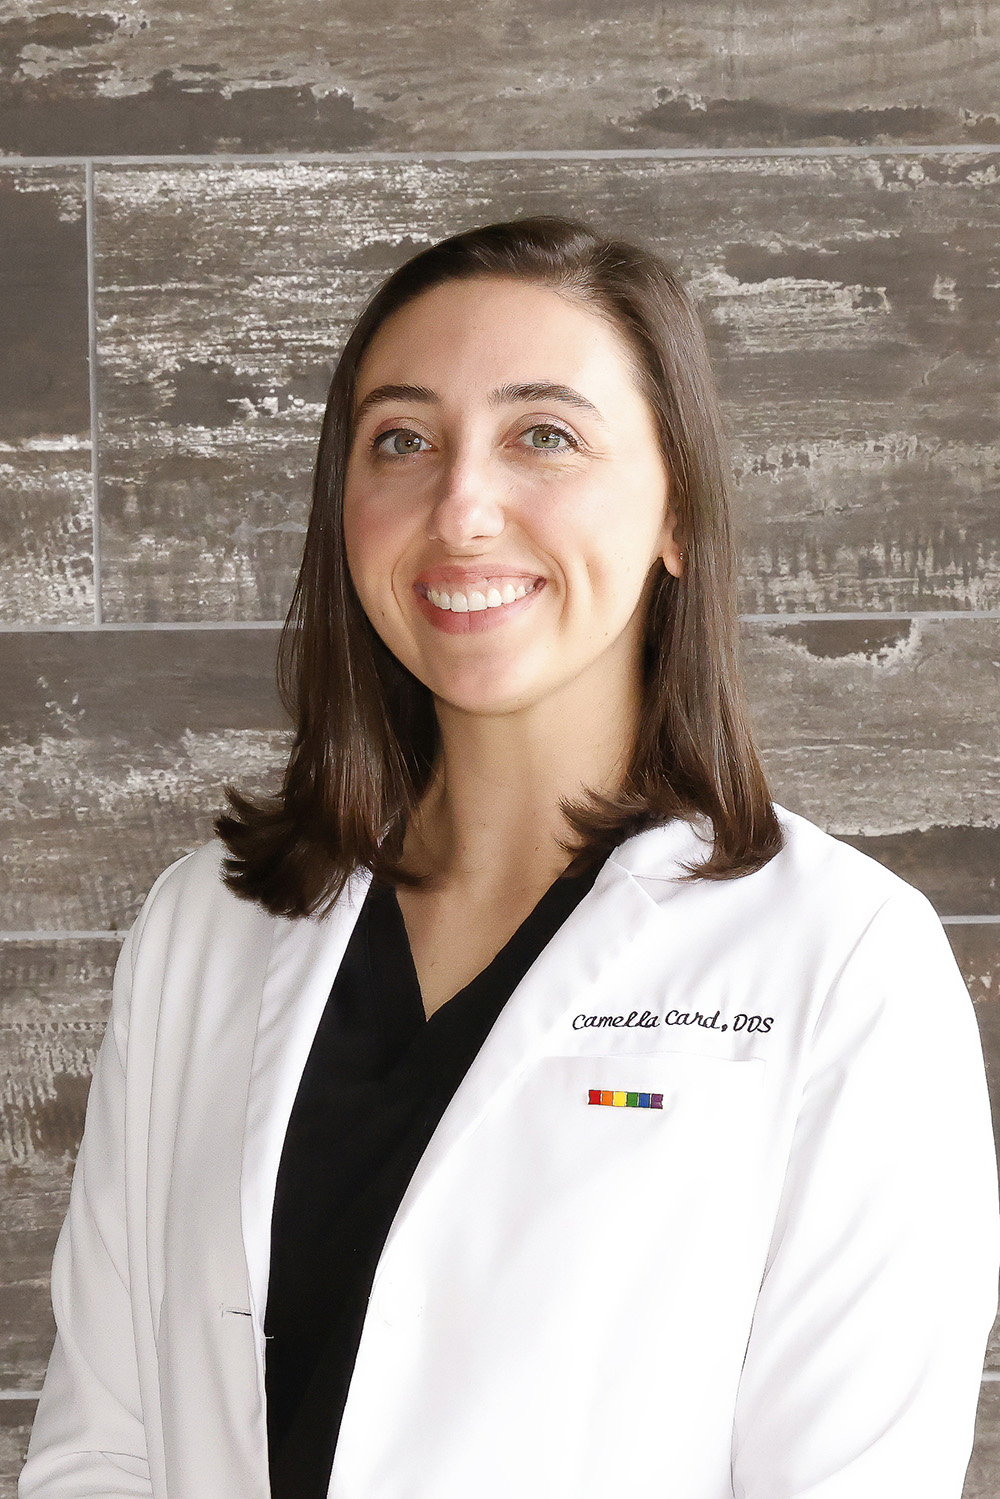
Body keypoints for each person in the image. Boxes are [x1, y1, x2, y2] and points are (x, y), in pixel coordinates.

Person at [19, 216, 999, 1499]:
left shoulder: (841, 960)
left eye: (544, 435)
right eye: (402, 440)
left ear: (678, 512)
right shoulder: (205, 923)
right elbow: (104, 1445)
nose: (461, 508)